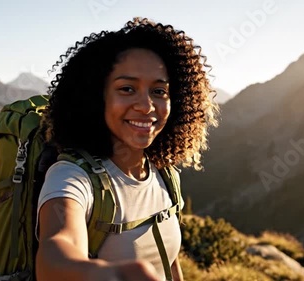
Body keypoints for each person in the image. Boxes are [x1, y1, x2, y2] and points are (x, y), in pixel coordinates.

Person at [35, 17, 219, 281]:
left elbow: (170, 262)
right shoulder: (70, 176)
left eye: (159, 91)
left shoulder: (165, 175)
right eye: (127, 89)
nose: (146, 105)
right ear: (96, 97)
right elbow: (55, 254)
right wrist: (110, 275)